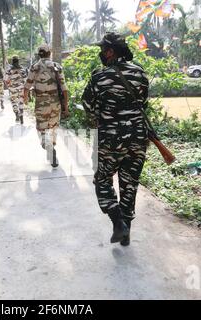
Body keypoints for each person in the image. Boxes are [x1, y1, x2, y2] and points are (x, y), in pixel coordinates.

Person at [82, 32, 150, 246]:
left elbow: (87, 105)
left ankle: (118, 221)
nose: (101, 53)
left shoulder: (99, 76)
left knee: (102, 180)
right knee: (130, 183)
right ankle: (126, 231)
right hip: (138, 137)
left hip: (111, 139)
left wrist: (100, 115)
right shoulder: (140, 73)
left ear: (110, 51)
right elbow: (144, 103)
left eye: (103, 50)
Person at [23, 44, 69, 168]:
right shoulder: (56, 67)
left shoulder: (34, 67)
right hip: (55, 103)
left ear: (39, 54)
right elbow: (65, 90)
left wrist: (25, 99)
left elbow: (26, 86)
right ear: (50, 53)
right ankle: (52, 146)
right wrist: (66, 107)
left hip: (41, 104)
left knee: (42, 129)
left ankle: (47, 146)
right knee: (53, 127)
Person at [5, 56, 28, 124]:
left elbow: (6, 79)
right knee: (21, 102)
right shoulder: (22, 70)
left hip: (12, 89)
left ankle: (17, 115)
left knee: (14, 102)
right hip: (21, 89)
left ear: (12, 61)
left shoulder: (9, 70)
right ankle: (21, 117)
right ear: (18, 61)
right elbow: (25, 80)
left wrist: (9, 85)